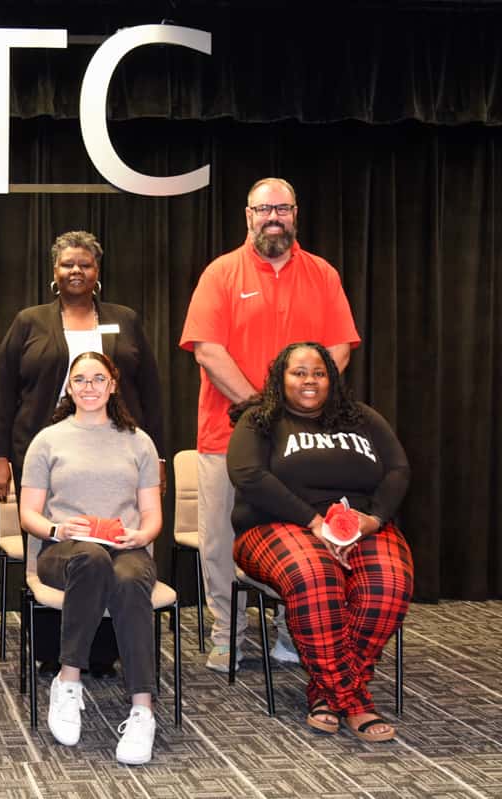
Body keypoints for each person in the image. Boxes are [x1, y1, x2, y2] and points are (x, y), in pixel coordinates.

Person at [180, 178, 362, 671]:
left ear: (296, 213)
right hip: (225, 433)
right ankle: (226, 634)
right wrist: (267, 410)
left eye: (282, 208)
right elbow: (207, 350)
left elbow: (340, 347)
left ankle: (289, 630)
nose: (273, 217)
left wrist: (298, 407)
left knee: (299, 533)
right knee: (219, 538)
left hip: (305, 440)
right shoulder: (221, 273)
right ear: (248, 216)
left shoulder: (322, 274)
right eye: (264, 209)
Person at [0, 230, 165, 675]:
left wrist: (159, 456)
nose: (76, 271)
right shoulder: (30, 320)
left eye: (85, 264)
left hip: (116, 451)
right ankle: (56, 652)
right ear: (54, 272)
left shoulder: (125, 319)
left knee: (114, 553)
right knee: (68, 548)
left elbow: (152, 391)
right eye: (67, 264)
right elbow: (2, 390)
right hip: (45, 453)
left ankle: (105, 654)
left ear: (97, 272)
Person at [227, 343, 412, 742]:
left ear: (331, 377)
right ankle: (354, 699)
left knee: (390, 583)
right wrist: (313, 521)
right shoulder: (259, 420)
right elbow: (248, 476)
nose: (309, 381)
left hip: (362, 524)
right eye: (299, 372)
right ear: (281, 377)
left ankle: (327, 693)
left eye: (319, 373)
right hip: (276, 525)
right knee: (315, 576)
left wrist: (373, 519)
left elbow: (398, 469)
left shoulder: (363, 417)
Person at [19, 352, 162, 762]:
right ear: (69, 387)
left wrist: (141, 534)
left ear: (113, 384)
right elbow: (29, 514)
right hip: (63, 551)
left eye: (98, 378)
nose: (89, 387)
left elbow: (152, 515)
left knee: (131, 579)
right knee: (92, 559)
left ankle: (142, 710)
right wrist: (57, 529)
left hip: (127, 549)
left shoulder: (140, 442)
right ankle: (68, 682)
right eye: (80, 379)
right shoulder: (48, 440)